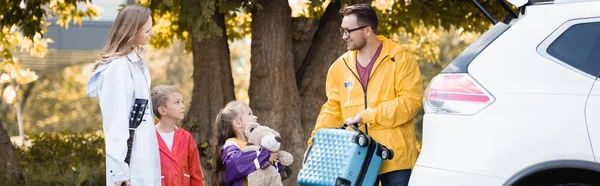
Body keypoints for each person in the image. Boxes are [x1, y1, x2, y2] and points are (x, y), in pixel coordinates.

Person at [306, 3, 423, 186]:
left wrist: (367, 116)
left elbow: (410, 103)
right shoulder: (339, 67)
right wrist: (315, 143)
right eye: (342, 30)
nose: (344, 36)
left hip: (396, 161)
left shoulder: (400, 58)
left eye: (348, 31)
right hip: (356, 160)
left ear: (367, 30)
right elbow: (332, 109)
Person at [86, 5, 161, 186]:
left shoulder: (137, 64)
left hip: (143, 160)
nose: (151, 34)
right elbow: (115, 122)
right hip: (129, 167)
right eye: (147, 30)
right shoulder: (118, 68)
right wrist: (119, 171)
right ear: (132, 32)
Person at [210, 101, 279, 186]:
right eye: (250, 114)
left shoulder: (255, 144)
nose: (255, 117)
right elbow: (236, 163)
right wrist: (265, 155)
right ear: (238, 123)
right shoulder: (230, 145)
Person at [151, 85, 205, 186]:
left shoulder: (186, 138)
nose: (183, 106)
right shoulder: (149, 138)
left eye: (182, 102)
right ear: (162, 110)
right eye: (177, 102)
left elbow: (196, 175)